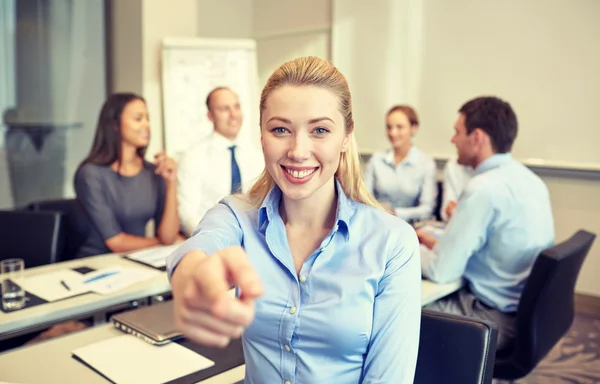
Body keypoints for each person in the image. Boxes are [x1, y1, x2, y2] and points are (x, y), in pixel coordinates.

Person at [167, 57, 421, 383]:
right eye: (281, 129)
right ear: (261, 136)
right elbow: (200, 248)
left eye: (320, 130)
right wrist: (192, 276)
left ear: (345, 137)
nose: (298, 151)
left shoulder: (391, 241)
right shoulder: (237, 215)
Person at [417, 96, 555, 351]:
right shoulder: (531, 181)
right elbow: (494, 247)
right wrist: (440, 245)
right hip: (522, 315)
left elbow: (441, 271)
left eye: (457, 132)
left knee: (397, 312)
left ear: (477, 137)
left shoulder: (483, 189)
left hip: (489, 317)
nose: (452, 140)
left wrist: (406, 246)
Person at [74, 93, 181, 258]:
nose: (146, 125)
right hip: (96, 263)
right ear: (115, 125)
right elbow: (116, 242)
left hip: (136, 260)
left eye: (147, 118)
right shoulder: (90, 174)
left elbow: (168, 235)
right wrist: (163, 242)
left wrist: (171, 182)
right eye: (138, 119)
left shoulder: (153, 172)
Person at [177, 87, 264, 237]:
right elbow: (187, 215)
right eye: (224, 109)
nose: (233, 115)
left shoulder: (257, 156)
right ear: (210, 116)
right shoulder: (193, 157)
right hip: (210, 242)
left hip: (253, 241)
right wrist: (218, 239)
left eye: (236, 107)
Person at [363, 105, 437, 222]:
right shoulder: (376, 160)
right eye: (389, 127)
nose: (393, 133)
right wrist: (378, 209)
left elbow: (427, 209)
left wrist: (396, 213)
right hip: (377, 221)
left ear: (414, 128)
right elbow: (364, 198)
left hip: (410, 226)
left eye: (399, 127)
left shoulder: (426, 163)